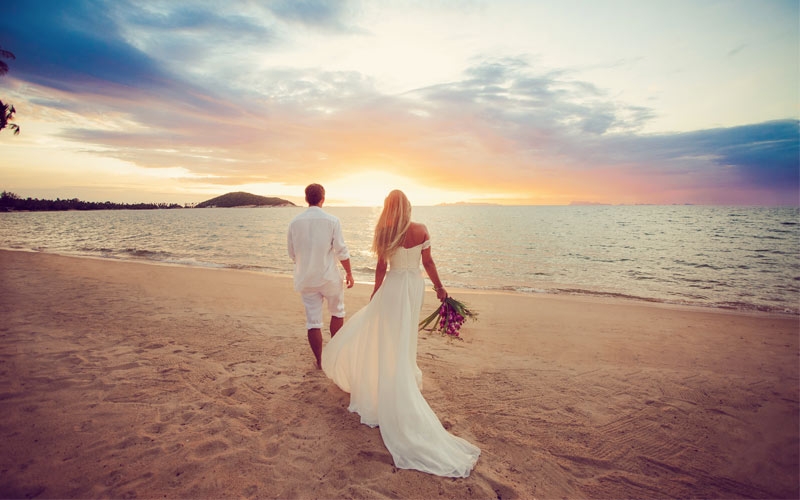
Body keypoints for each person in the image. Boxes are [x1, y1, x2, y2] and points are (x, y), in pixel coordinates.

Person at [322, 189, 480, 478]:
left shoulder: (384, 231)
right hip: (412, 287)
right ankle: (402, 376)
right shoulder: (420, 229)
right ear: (407, 206)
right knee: (405, 335)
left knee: (389, 336)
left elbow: (382, 267)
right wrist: (440, 288)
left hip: (393, 287)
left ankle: (391, 378)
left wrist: (375, 293)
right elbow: (428, 263)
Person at [287, 183, 354, 369]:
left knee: (313, 322)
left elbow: (292, 253)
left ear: (307, 199)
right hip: (329, 277)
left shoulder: (295, 222)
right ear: (323, 198)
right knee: (337, 312)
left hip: (306, 278)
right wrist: (349, 272)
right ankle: (336, 357)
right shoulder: (332, 221)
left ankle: (320, 361)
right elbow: (341, 251)